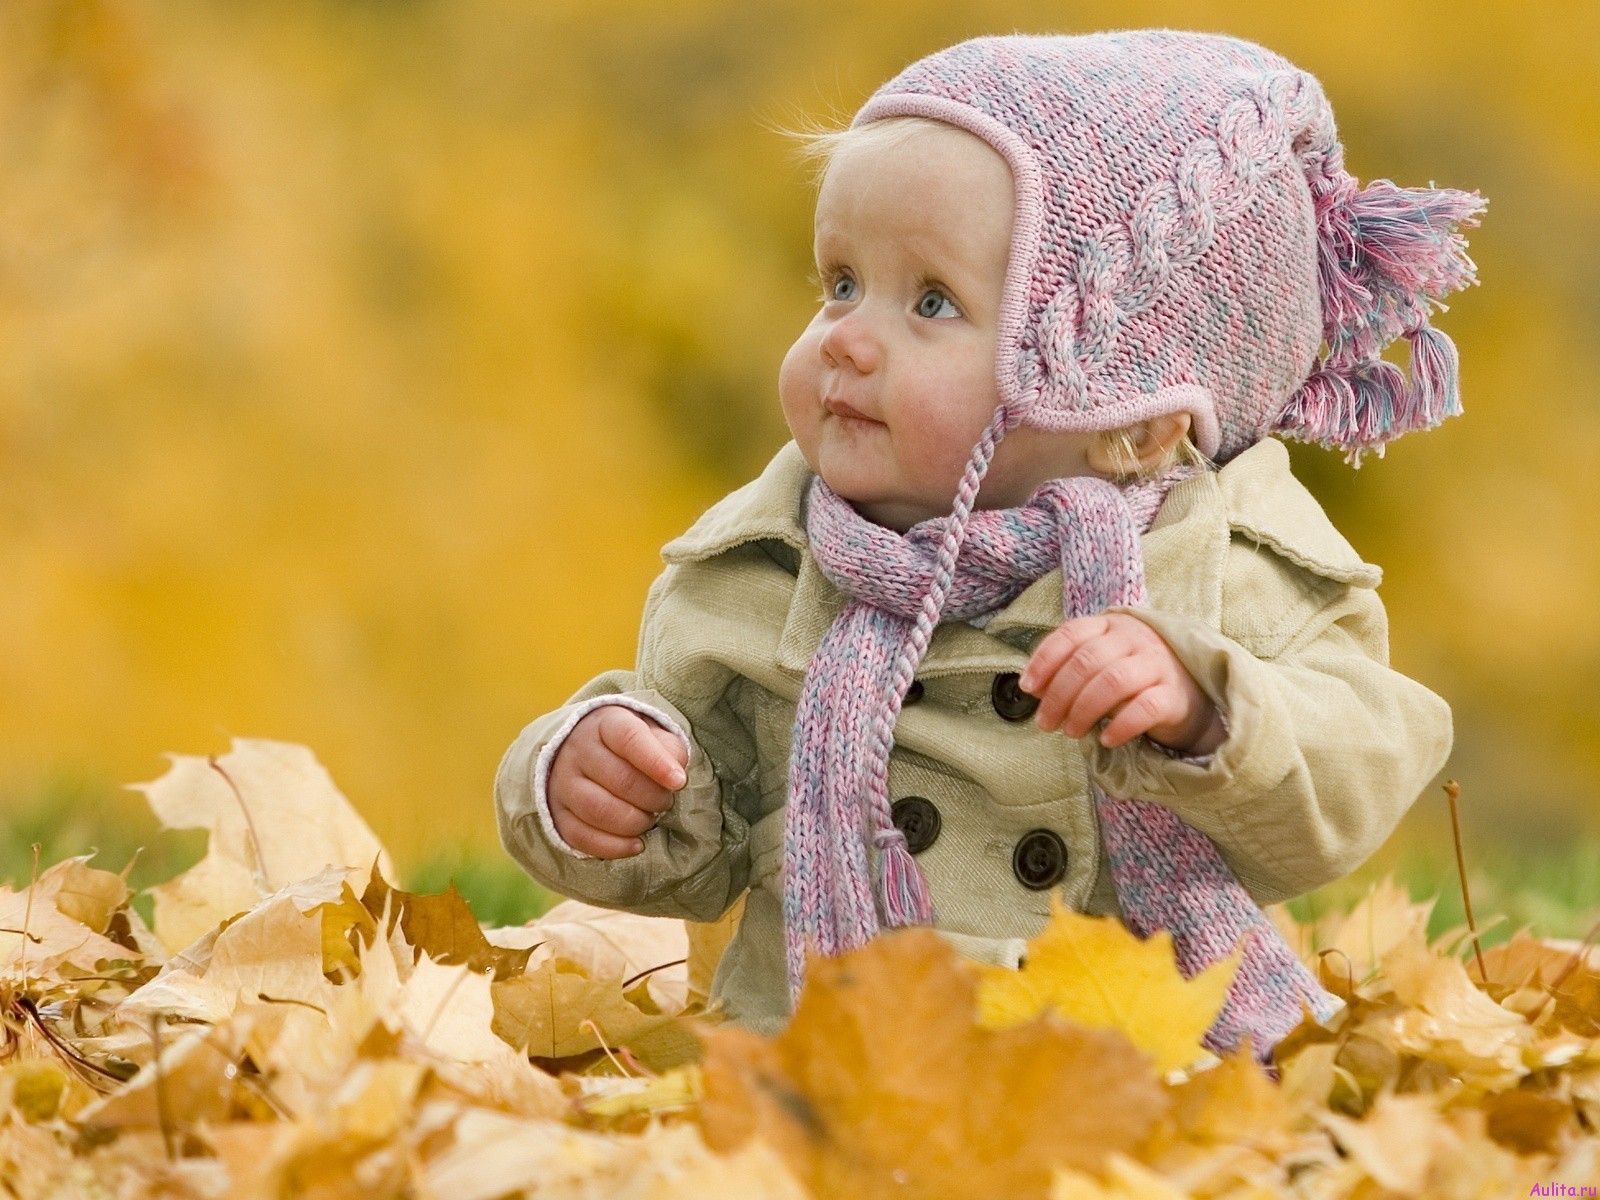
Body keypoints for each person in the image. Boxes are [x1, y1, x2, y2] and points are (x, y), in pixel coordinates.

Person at [494, 29, 1482, 1059]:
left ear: (1131, 415)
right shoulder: (763, 564)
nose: (845, 337)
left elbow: (1358, 761)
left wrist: (1204, 709)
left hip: (1129, 1082)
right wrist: (595, 786)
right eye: (837, 282)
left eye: (931, 303)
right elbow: (694, 849)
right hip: (820, 1067)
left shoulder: (1219, 565)